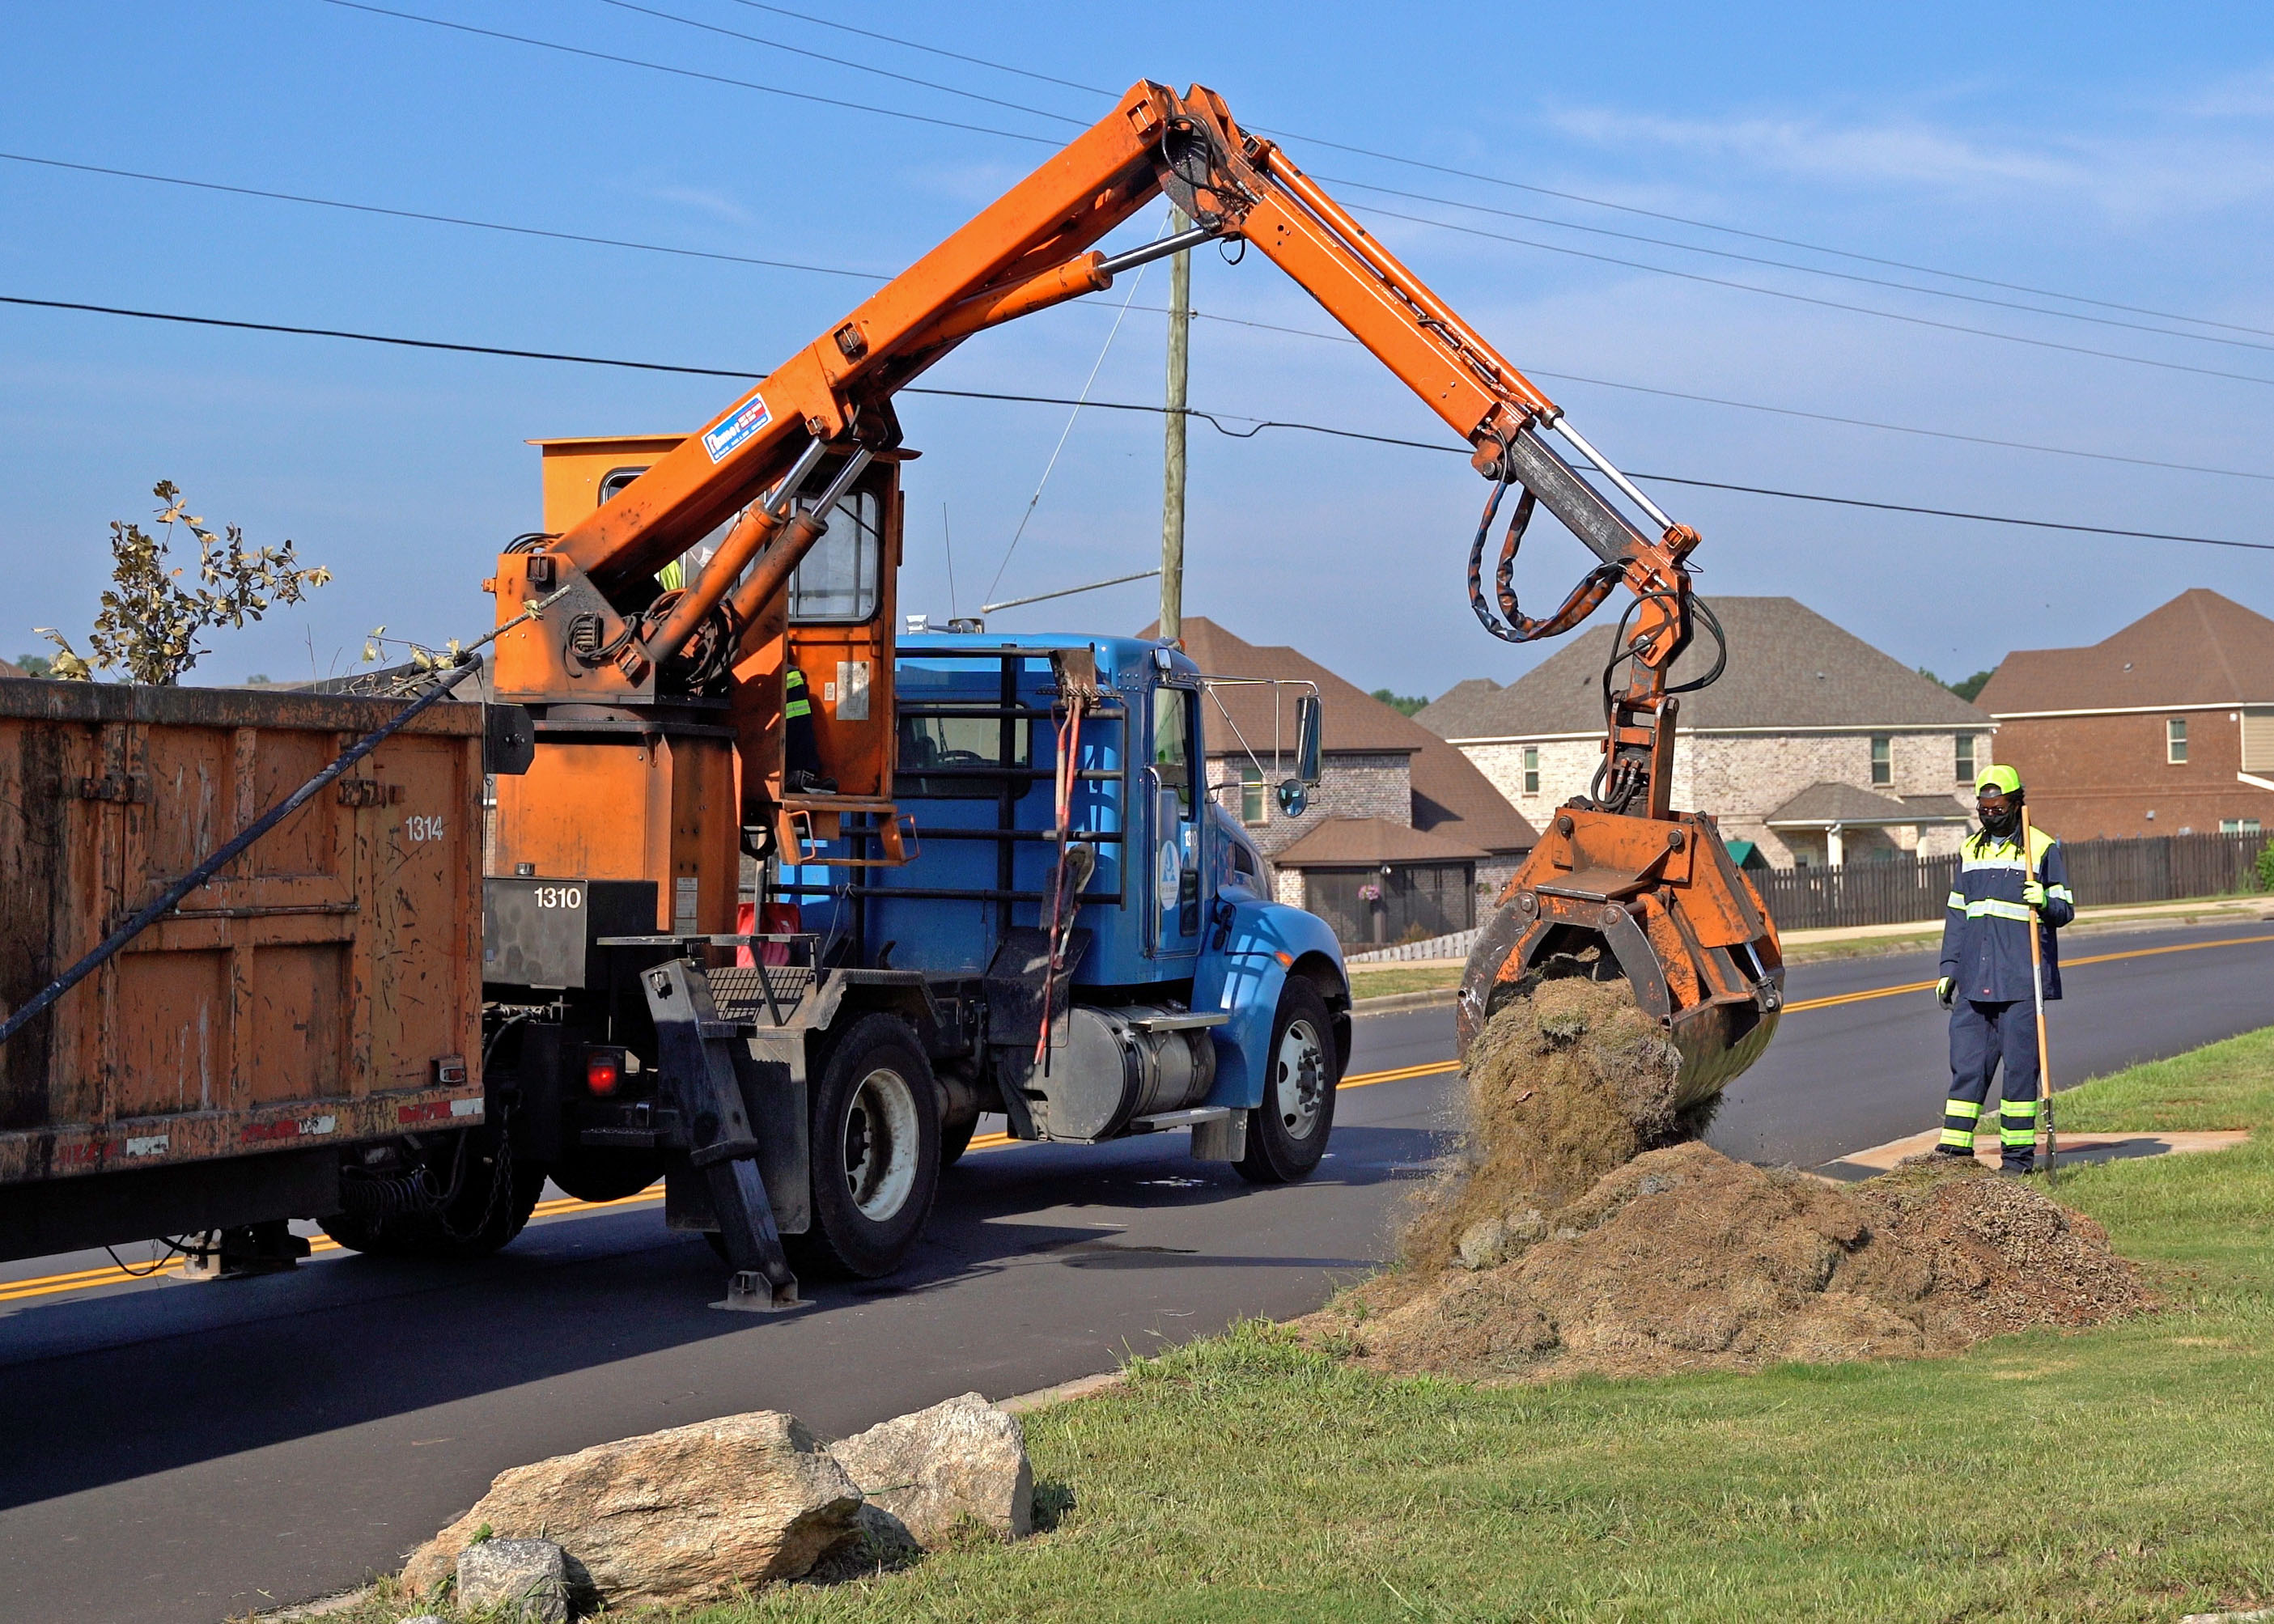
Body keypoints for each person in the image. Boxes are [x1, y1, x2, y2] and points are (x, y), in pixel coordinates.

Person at [1934, 765, 2075, 1172]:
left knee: (2018, 1076)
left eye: (1999, 807)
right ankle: (1954, 1157)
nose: (1991, 814)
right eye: (1984, 807)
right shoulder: (1970, 851)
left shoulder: (2042, 848)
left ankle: (2016, 1163)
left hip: (2021, 981)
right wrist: (1949, 968)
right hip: (1974, 980)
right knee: (1966, 1067)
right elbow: (1958, 915)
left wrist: (2044, 902)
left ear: (2016, 803)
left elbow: (2065, 908)